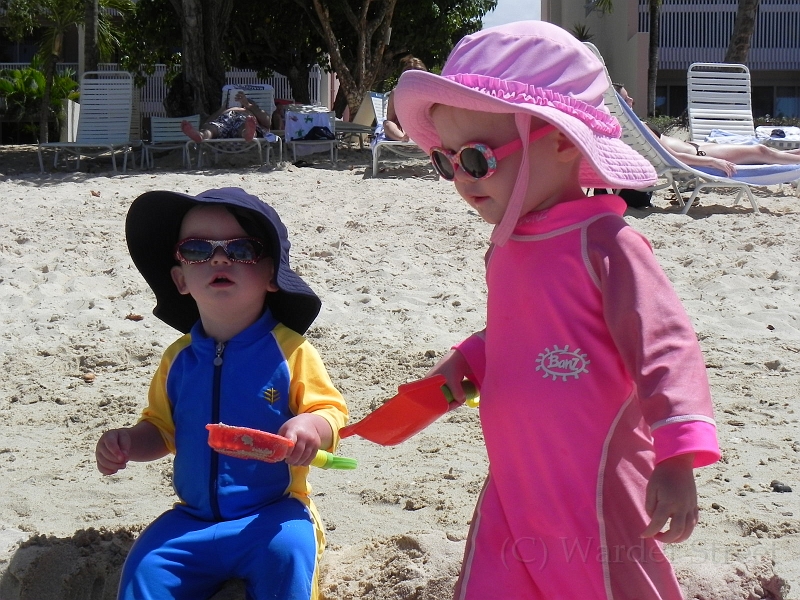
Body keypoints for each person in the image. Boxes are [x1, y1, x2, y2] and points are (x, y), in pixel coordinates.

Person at [394, 21, 720, 599]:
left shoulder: (606, 244)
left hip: (593, 479)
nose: (461, 180)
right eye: (446, 162)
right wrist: (469, 359)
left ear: (563, 141)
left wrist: (677, 457)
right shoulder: (509, 245)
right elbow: (523, 330)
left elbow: (664, 345)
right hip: (515, 473)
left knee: (609, 581)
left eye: (477, 159)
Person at [96, 187, 348, 600]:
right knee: (145, 566)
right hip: (192, 519)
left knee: (289, 556)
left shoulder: (290, 352)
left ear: (271, 275)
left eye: (241, 249)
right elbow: (161, 430)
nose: (218, 259)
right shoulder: (178, 360)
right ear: (180, 279)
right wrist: (127, 443)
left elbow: (330, 411)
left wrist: (310, 426)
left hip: (272, 513)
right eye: (197, 250)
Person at [616, 84, 800, 176]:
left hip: (697, 147)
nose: (632, 100)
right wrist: (712, 162)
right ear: (619, 106)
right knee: (761, 151)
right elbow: (674, 157)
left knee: (766, 152)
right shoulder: (639, 128)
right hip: (701, 155)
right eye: (626, 99)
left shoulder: (631, 127)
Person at [182, 91, 273, 143]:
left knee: (244, 125)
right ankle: (201, 135)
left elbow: (267, 122)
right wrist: (222, 109)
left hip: (243, 118)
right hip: (225, 119)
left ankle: (248, 133)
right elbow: (208, 122)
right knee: (211, 127)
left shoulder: (251, 107)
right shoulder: (225, 108)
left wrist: (247, 104)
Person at [380, 55, 428, 142]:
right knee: (387, 124)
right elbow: (391, 119)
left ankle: (408, 139)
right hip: (402, 130)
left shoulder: (429, 93)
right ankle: (403, 139)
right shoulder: (396, 93)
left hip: (424, 128)